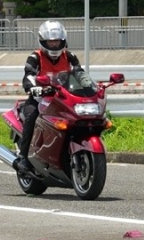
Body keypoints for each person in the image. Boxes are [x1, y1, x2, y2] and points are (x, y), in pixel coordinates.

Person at [15, 20, 93, 173]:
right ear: (43, 41)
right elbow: (28, 76)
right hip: (39, 99)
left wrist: (88, 85)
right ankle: (23, 157)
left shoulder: (69, 56)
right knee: (31, 117)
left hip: (63, 98)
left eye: (56, 41)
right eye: (51, 42)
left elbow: (79, 73)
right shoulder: (35, 57)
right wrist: (33, 88)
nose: (54, 45)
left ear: (62, 41)